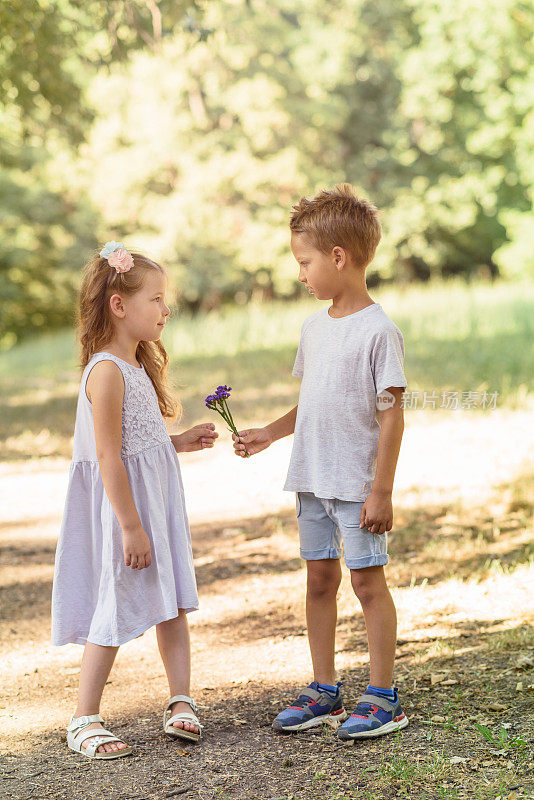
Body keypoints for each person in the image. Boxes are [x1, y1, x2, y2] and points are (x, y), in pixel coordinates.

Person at [233, 185, 409, 740]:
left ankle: (383, 694)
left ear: (339, 258)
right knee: (318, 581)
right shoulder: (313, 327)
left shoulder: (380, 331)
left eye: (305, 263)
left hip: (356, 483)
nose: (300, 275)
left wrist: (380, 491)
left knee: (367, 584)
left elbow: (392, 417)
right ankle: (325, 689)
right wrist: (270, 432)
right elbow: (312, 400)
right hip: (311, 476)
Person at [51, 242, 218, 759]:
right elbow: (107, 458)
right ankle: (84, 718)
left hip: (153, 506)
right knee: (114, 603)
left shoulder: (135, 366)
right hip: (129, 512)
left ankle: (180, 699)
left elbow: (135, 445)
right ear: (119, 305)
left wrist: (178, 442)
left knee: (170, 599)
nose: (166, 310)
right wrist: (131, 525)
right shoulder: (106, 371)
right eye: (157, 299)